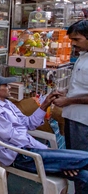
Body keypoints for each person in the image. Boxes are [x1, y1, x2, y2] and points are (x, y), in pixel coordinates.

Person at [0, 75, 88, 191]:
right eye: (6, 86)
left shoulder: (8, 104)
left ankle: (68, 163)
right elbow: (12, 137)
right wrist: (49, 152)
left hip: (31, 150)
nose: (9, 87)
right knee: (85, 158)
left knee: (84, 176)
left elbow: (28, 123)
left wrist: (45, 104)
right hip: (21, 155)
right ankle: (68, 162)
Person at [53, 19, 88, 193]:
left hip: (83, 121)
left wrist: (68, 101)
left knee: (80, 163)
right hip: (73, 117)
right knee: (74, 160)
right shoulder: (83, 57)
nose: (73, 44)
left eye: (77, 39)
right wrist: (66, 92)